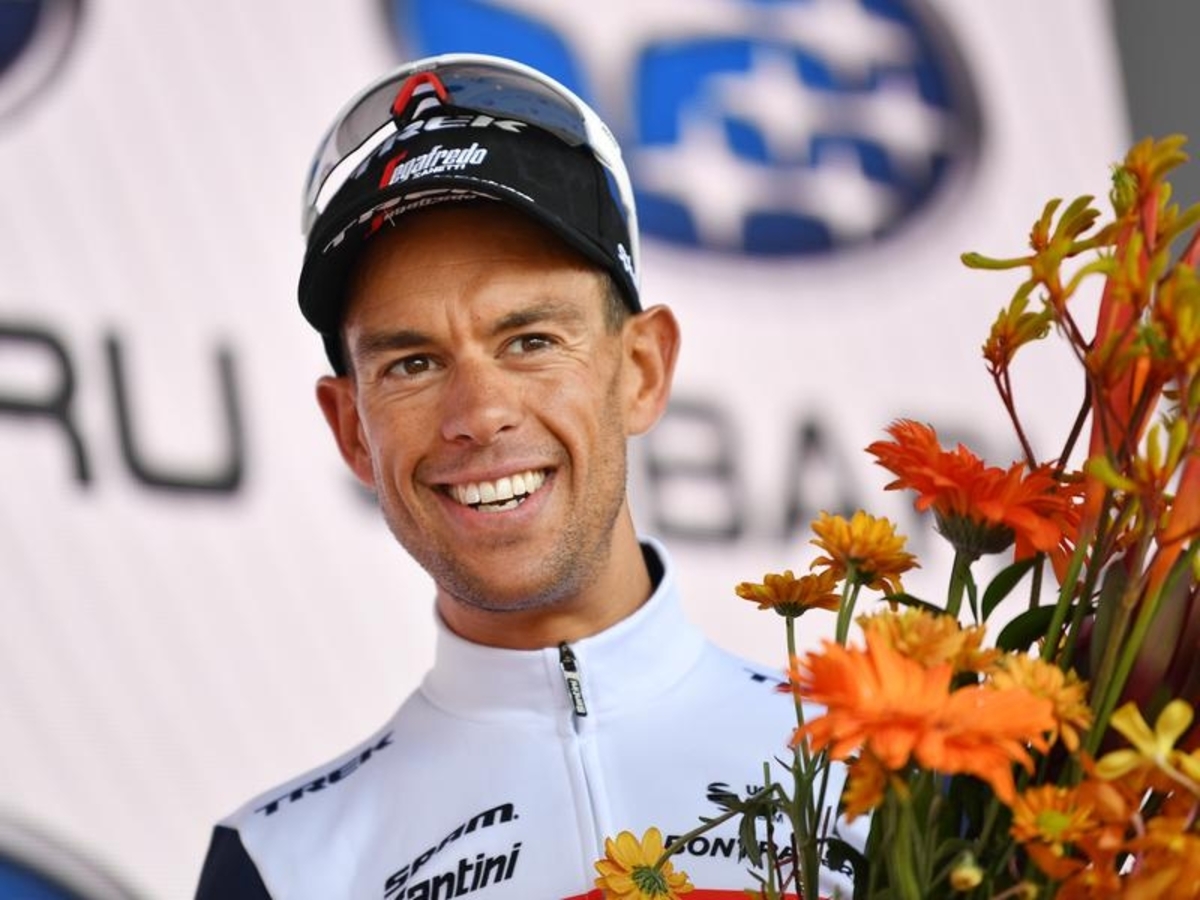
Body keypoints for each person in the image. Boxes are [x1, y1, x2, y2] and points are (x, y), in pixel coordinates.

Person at [194, 53, 853, 899]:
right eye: (412, 363)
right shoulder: (281, 866)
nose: (480, 412)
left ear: (642, 371)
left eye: (530, 341)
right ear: (352, 430)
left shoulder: (897, 769)